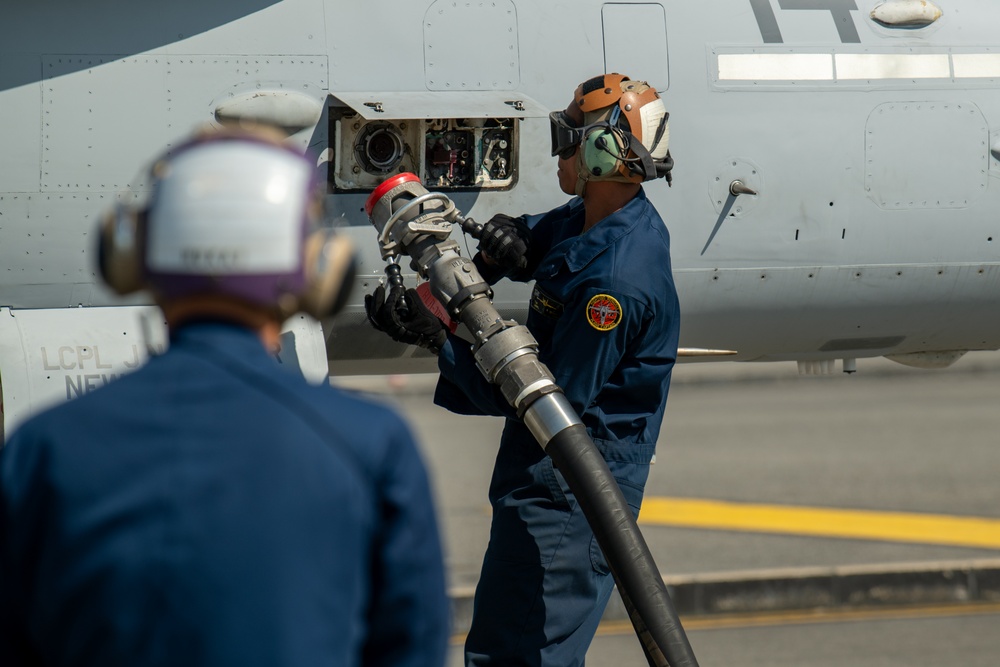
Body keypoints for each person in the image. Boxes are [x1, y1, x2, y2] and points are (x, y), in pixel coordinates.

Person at [0, 126, 450, 667]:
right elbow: (410, 647)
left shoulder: (44, 448)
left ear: (135, 255)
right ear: (316, 268)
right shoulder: (372, 447)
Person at [366, 73, 679, 666]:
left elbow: (543, 403)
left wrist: (439, 339)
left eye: (569, 134)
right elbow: (542, 238)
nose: (559, 147)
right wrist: (502, 246)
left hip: (571, 492)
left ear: (603, 151)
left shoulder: (613, 287)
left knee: (515, 658)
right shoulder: (603, 215)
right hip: (549, 483)